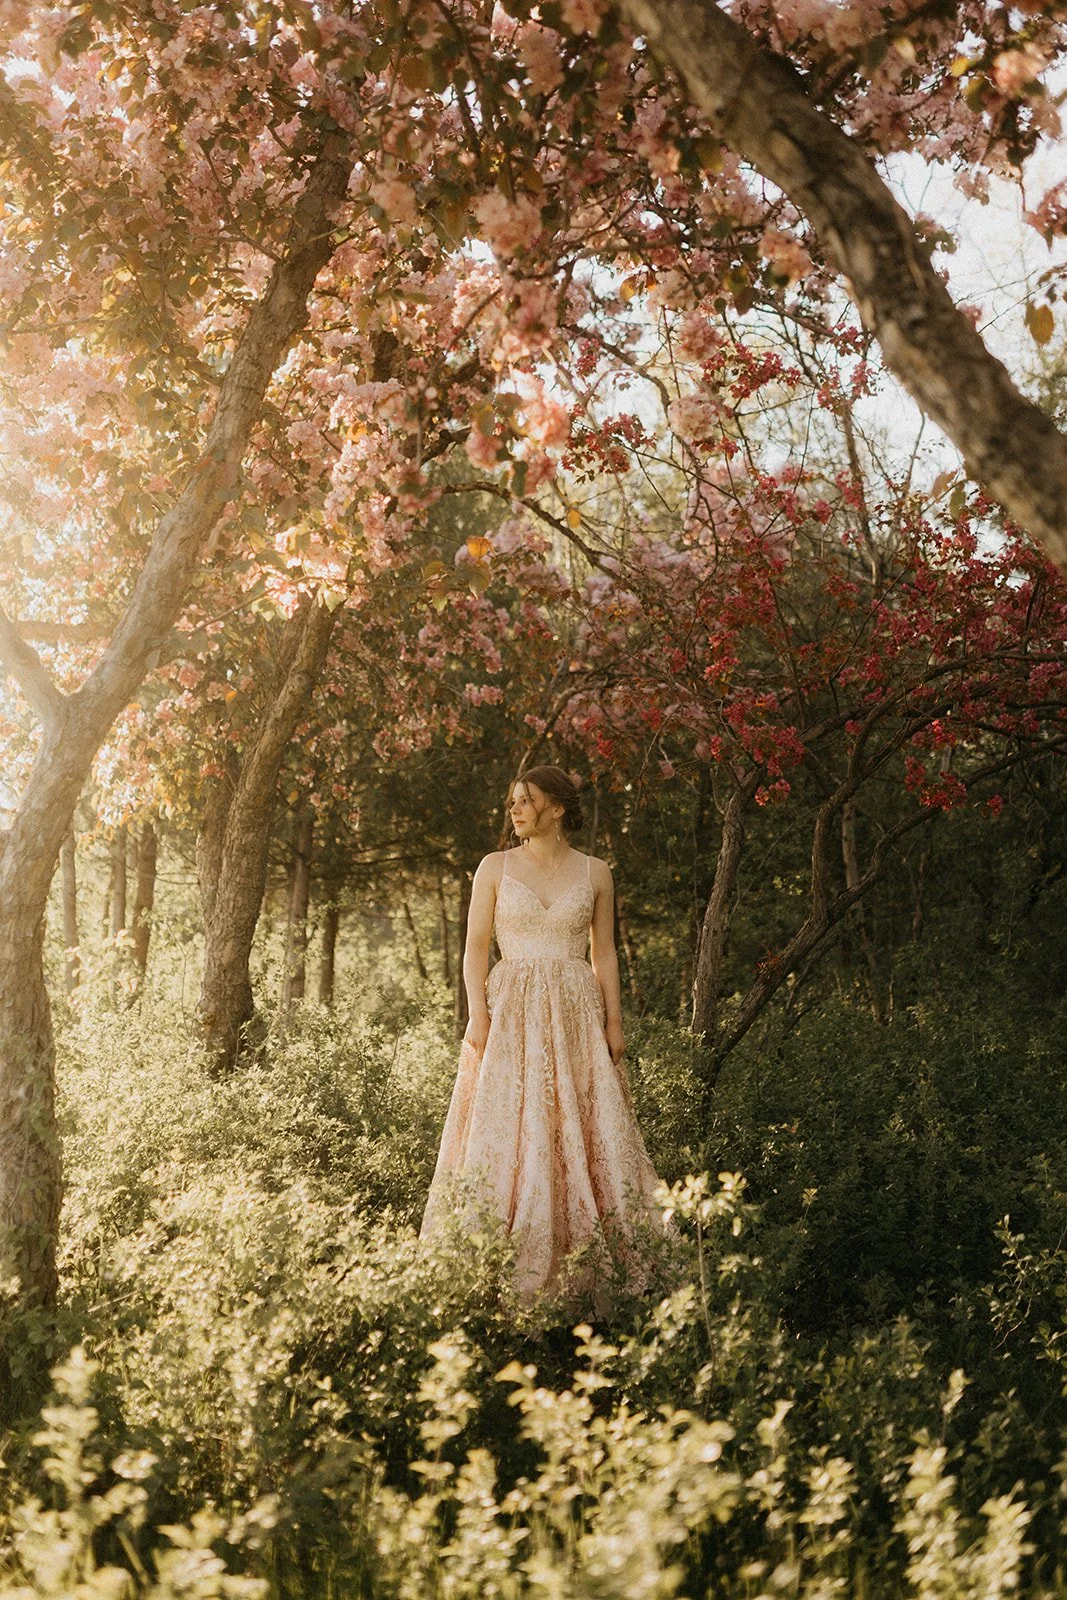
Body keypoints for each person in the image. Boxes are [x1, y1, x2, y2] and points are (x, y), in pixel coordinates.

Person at [419, 764, 664, 1302]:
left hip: (577, 1011)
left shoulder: (596, 872)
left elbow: (604, 954)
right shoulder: (494, 867)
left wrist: (614, 1023)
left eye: (524, 801)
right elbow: (475, 949)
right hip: (512, 1011)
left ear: (556, 806)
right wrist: (477, 1014)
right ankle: (499, 1273)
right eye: (512, 803)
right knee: (510, 1127)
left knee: (582, 1126)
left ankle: (595, 1273)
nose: (515, 811)